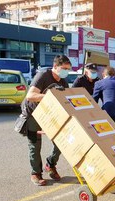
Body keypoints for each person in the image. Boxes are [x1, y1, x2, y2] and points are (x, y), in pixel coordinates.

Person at [24, 55, 71, 186]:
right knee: (35, 144)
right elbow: (30, 96)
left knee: (61, 141)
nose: (66, 72)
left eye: (68, 69)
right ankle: (36, 173)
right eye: (64, 68)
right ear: (55, 67)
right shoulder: (43, 75)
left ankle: (50, 165)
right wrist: (50, 97)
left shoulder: (63, 81)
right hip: (33, 113)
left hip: (50, 114)